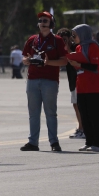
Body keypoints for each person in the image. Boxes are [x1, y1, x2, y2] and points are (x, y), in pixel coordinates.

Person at [20, 12, 68, 152]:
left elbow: (64, 61)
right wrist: (27, 61)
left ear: (51, 23)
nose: (42, 23)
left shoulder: (57, 40)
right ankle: (33, 142)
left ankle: (54, 142)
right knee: (33, 113)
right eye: (40, 21)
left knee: (50, 112)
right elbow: (24, 58)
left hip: (50, 81)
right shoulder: (32, 40)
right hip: (33, 80)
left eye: (45, 21)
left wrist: (48, 62)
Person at [67, 24, 99, 152]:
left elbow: (94, 67)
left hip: (94, 87)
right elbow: (81, 67)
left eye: (74, 35)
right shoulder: (79, 47)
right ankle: (89, 141)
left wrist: (79, 63)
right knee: (85, 116)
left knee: (95, 117)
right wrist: (74, 63)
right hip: (81, 86)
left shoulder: (93, 47)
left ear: (82, 34)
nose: (73, 38)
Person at [56, 28, 85, 140]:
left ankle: (82, 129)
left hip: (78, 79)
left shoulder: (74, 47)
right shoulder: (61, 48)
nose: (62, 41)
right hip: (72, 80)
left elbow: (72, 59)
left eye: (64, 39)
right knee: (75, 104)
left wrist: (67, 46)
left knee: (79, 105)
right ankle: (81, 127)